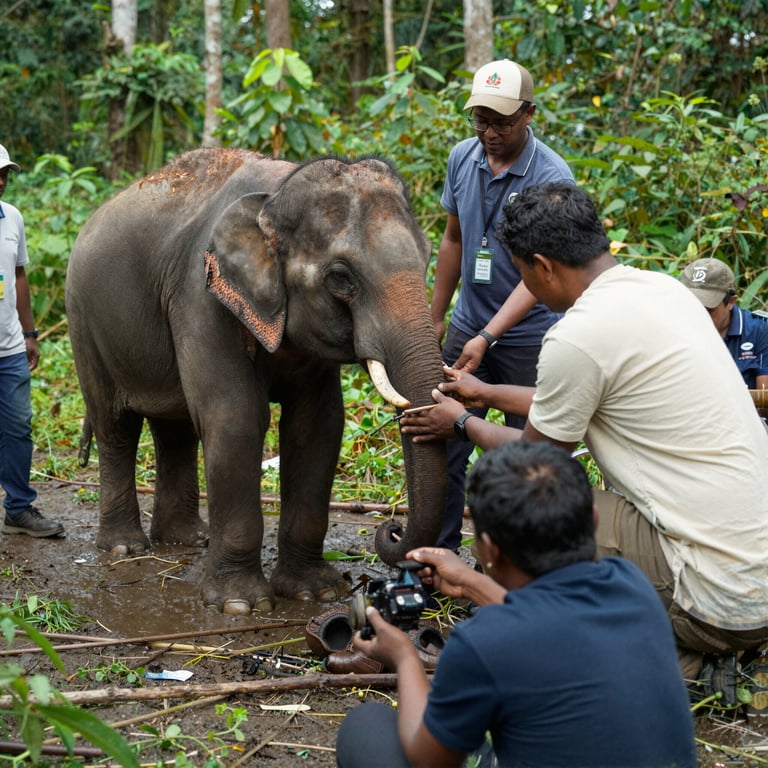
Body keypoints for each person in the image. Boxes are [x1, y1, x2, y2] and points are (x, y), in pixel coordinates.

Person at [401, 182, 768, 680]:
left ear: (543, 266)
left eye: (523, 273)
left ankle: (639, 652)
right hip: (754, 578)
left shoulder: (577, 336)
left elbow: (536, 459)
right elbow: (577, 401)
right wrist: (485, 394)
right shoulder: (664, 291)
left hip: (715, 600)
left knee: (520, 504)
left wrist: (461, 423)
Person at [335, 441, 698, 768]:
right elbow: (555, 627)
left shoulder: (482, 643)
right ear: (593, 520)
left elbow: (430, 759)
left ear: (490, 549)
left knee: (365, 726)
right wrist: (472, 583)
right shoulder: (631, 584)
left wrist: (404, 658)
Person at [431, 59, 574, 552]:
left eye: (503, 122)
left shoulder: (552, 176)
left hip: (527, 333)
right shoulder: (461, 158)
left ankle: (522, 563)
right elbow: (454, 239)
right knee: (440, 431)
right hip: (468, 322)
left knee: (529, 453)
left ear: (529, 114)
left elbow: (545, 273)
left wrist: (488, 335)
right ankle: (439, 553)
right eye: (481, 120)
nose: (490, 133)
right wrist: (437, 315)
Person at [0, 143, 64, 538]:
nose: (2, 180)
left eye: (5, 173)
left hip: (8, 348)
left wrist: (30, 333)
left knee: (19, 426)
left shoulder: (14, 219)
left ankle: (18, 508)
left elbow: (19, 277)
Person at [679, 257, 768, 391]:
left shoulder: (759, 330)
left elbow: (764, 399)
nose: (699, 315)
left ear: (731, 302)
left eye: (708, 309)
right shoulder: (675, 329)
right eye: (692, 306)